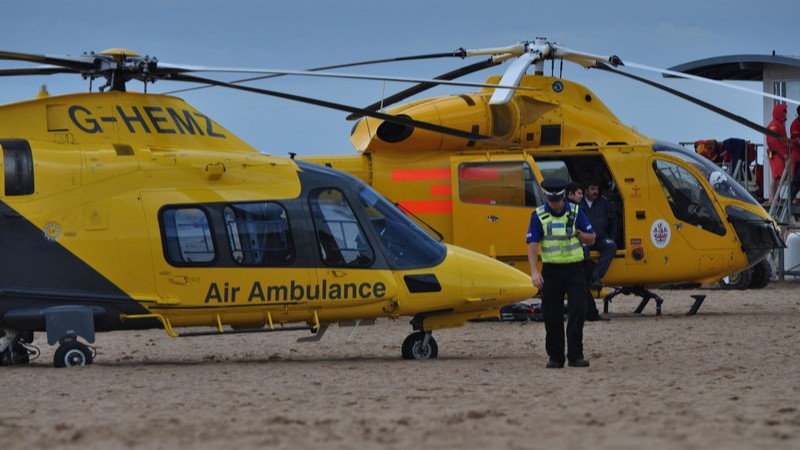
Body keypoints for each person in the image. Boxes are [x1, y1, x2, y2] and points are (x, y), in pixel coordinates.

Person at [527, 178, 596, 368]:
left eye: (557, 200)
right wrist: (534, 271)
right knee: (552, 315)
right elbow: (532, 245)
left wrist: (576, 233)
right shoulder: (538, 215)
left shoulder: (576, 212)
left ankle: (575, 356)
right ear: (547, 197)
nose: (555, 204)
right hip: (551, 271)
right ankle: (555, 357)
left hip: (575, 269)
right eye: (551, 200)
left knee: (578, 311)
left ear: (563, 197)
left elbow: (591, 239)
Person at [566, 183, 608, 321]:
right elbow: (586, 235)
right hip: (578, 256)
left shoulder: (569, 209)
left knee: (581, 287)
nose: (581, 196)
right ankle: (591, 313)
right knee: (582, 287)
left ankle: (589, 312)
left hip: (577, 255)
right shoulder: (575, 210)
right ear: (570, 194)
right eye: (578, 193)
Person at [580, 181, 618, 290]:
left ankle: (595, 275)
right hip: (585, 238)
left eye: (596, 189)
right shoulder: (579, 202)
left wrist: (612, 237)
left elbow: (613, 220)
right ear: (585, 190)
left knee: (611, 246)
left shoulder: (604, 202)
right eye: (592, 189)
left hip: (601, 237)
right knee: (583, 250)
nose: (595, 192)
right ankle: (588, 276)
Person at [766, 103, 789, 206]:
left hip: (778, 155)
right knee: (776, 176)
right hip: (776, 155)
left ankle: (775, 198)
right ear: (780, 112)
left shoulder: (779, 124)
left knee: (778, 176)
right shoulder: (774, 125)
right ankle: (772, 199)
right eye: (784, 111)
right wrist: (784, 154)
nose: (786, 114)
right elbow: (773, 142)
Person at [790, 105, 800, 204]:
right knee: (796, 179)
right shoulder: (795, 124)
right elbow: (796, 140)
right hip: (797, 154)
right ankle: (791, 198)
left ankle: (792, 198)